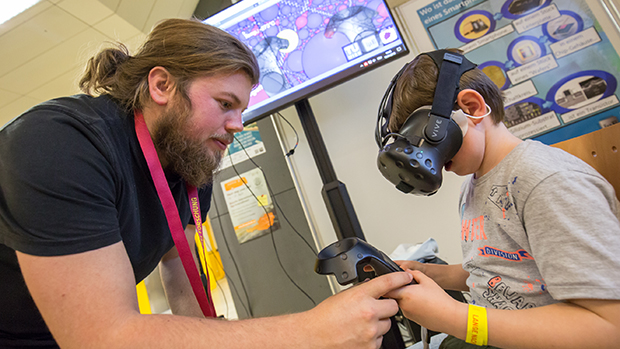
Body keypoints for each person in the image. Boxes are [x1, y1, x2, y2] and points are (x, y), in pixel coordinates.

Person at [0, 18, 413, 348]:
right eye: (225, 104)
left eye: (242, 109)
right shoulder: (60, 142)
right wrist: (310, 330)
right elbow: (105, 337)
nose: (239, 124)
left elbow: (177, 261)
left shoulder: (191, 164)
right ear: (161, 85)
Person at [380, 49, 620, 348]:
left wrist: (454, 316)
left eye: (424, 141)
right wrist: (428, 274)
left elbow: (609, 329)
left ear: (472, 107)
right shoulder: (475, 184)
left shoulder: (545, 182)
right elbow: (498, 268)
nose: (429, 160)